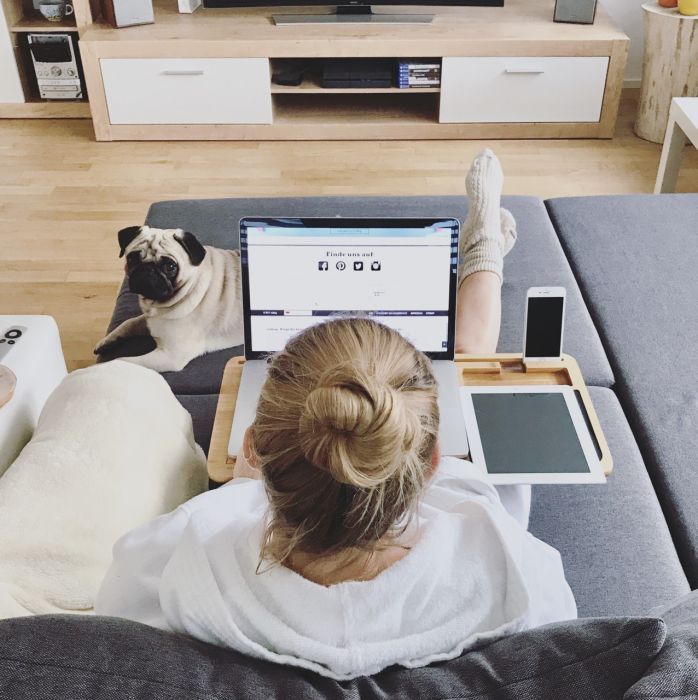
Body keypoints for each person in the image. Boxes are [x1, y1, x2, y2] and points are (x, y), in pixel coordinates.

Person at [95, 150, 576, 680]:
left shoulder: (165, 566)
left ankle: (483, 243)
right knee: (468, 347)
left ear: (251, 448)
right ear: (434, 461)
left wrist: (237, 490)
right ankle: (482, 245)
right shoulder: (519, 572)